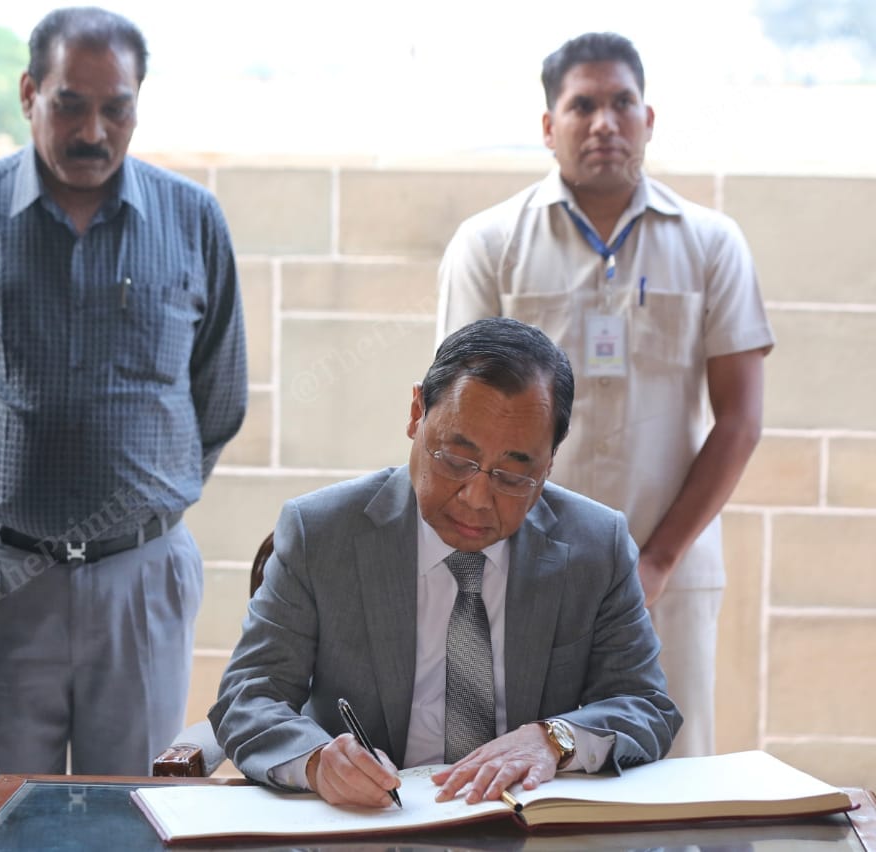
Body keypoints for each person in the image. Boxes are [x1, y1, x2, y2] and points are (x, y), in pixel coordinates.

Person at [0, 6, 247, 793]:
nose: (94, 129)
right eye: (70, 103)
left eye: (115, 107)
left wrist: (137, 499)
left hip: (141, 580)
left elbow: (218, 395)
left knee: (137, 815)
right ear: (29, 93)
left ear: (137, 103)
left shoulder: (193, 220)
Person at [436, 32, 772, 758]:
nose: (604, 122)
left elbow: (740, 420)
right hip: (522, 571)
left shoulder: (712, 243)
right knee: (521, 770)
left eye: (622, 103)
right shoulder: (490, 242)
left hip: (670, 576)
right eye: (581, 105)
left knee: (667, 775)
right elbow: (459, 426)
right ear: (548, 127)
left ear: (648, 120)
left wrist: (654, 563)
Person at [211, 317, 680, 809]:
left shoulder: (595, 545)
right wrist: (317, 761)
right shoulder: (322, 533)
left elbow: (645, 706)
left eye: (513, 475)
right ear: (417, 413)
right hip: (371, 830)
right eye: (456, 461)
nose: (477, 498)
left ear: (550, 463)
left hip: (526, 829)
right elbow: (248, 696)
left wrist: (555, 738)